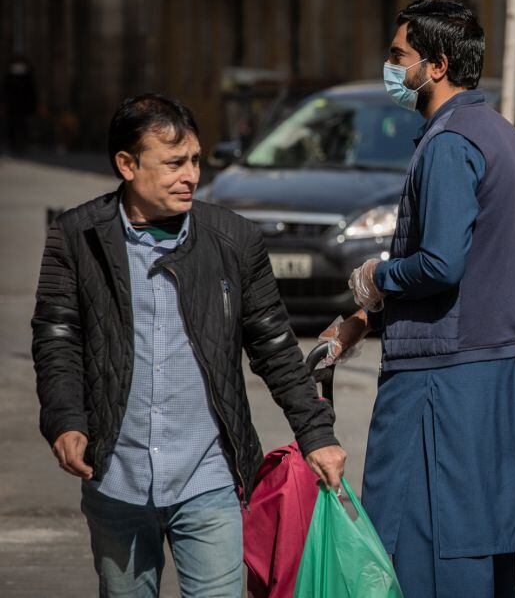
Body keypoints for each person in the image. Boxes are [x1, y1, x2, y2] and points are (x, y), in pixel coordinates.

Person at [31, 94, 346, 597]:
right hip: (117, 475)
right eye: (174, 163)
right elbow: (57, 338)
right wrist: (66, 420)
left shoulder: (234, 240)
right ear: (127, 165)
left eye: (196, 161)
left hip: (209, 475)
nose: (191, 176)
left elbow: (274, 345)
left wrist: (316, 433)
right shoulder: (77, 237)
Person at [349, 0, 515, 598]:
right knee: (479, 545)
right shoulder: (500, 132)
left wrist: (379, 276)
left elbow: (441, 262)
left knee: (422, 549)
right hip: (489, 366)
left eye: (398, 55)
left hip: (441, 373)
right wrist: (360, 318)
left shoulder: (449, 143)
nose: (390, 66)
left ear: (436, 65)